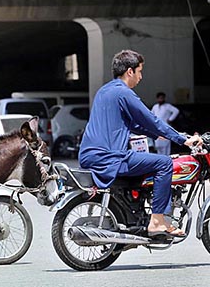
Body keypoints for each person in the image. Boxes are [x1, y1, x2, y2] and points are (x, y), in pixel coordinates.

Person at [79, 49, 201, 238]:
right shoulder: (124, 93)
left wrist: (160, 134)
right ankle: (157, 221)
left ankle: (146, 216)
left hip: (89, 155)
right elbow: (151, 120)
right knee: (165, 163)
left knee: (154, 162)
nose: (141, 77)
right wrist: (183, 140)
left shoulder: (104, 91)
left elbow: (134, 124)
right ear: (130, 71)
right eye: (140, 71)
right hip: (111, 157)